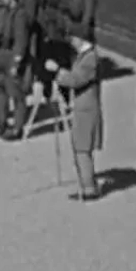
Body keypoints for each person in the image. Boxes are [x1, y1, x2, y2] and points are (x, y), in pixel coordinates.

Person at [47, 30, 103, 199]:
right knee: (80, 147)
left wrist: (58, 71)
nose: (71, 42)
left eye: (73, 38)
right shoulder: (83, 56)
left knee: (82, 148)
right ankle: (88, 185)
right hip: (82, 106)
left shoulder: (90, 58)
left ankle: (89, 188)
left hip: (87, 108)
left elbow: (76, 80)